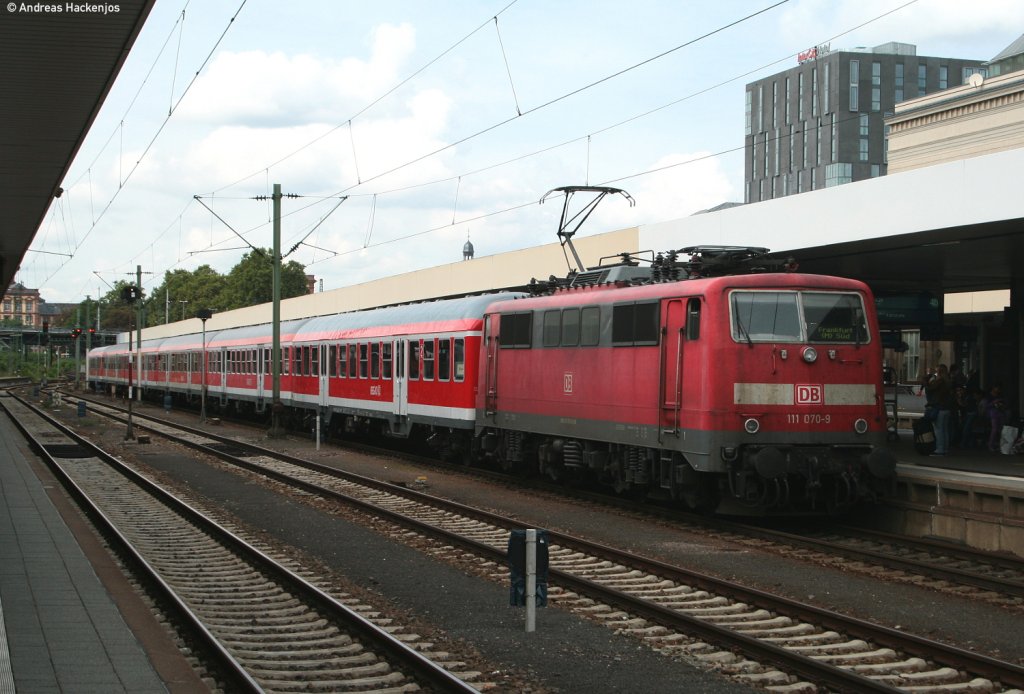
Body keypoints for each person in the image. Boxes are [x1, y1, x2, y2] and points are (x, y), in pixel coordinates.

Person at [924, 364, 953, 456]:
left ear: (939, 372)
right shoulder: (948, 381)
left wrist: (926, 380)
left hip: (939, 407)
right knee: (945, 430)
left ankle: (940, 449)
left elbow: (930, 388)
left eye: (937, 371)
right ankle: (945, 448)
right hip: (947, 408)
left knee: (938, 430)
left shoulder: (940, 381)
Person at [981, 384, 1007, 453]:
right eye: (996, 388)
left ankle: (1001, 445)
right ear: (993, 388)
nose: (997, 390)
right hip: (992, 413)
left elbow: (1004, 404)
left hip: (1000, 412)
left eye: (998, 388)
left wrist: (1001, 404)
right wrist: (994, 403)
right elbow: (985, 406)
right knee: (994, 429)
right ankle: (991, 444)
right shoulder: (988, 396)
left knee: (1002, 429)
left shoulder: (1000, 395)